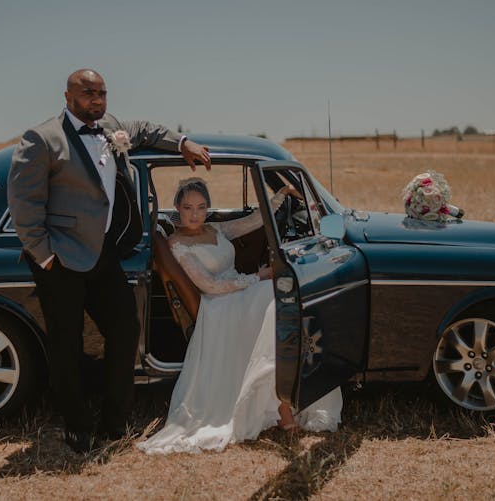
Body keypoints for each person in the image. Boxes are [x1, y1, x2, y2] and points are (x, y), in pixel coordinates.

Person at [7, 69, 211, 453]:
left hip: (103, 255)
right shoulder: (43, 138)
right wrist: (45, 256)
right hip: (61, 260)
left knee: (125, 330)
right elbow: (23, 203)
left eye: (102, 93)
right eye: (88, 93)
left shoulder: (112, 128)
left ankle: (114, 421)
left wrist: (183, 142)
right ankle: (76, 423)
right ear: (68, 96)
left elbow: (148, 130)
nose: (97, 100)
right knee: (66, 344)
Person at [138, 178, 342, 454]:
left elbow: (254, 221)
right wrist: (256, 277)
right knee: (272, 299)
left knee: (278, 299)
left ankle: (287, 397)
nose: (194, 214)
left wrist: (280, 195)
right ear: (177, 207)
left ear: (208, 208)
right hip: (218, 303)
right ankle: (282, 407)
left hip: (238, 290)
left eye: (200, 207)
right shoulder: (177, 244)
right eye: (187, 208)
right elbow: (208, 285)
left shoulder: (216, 229)